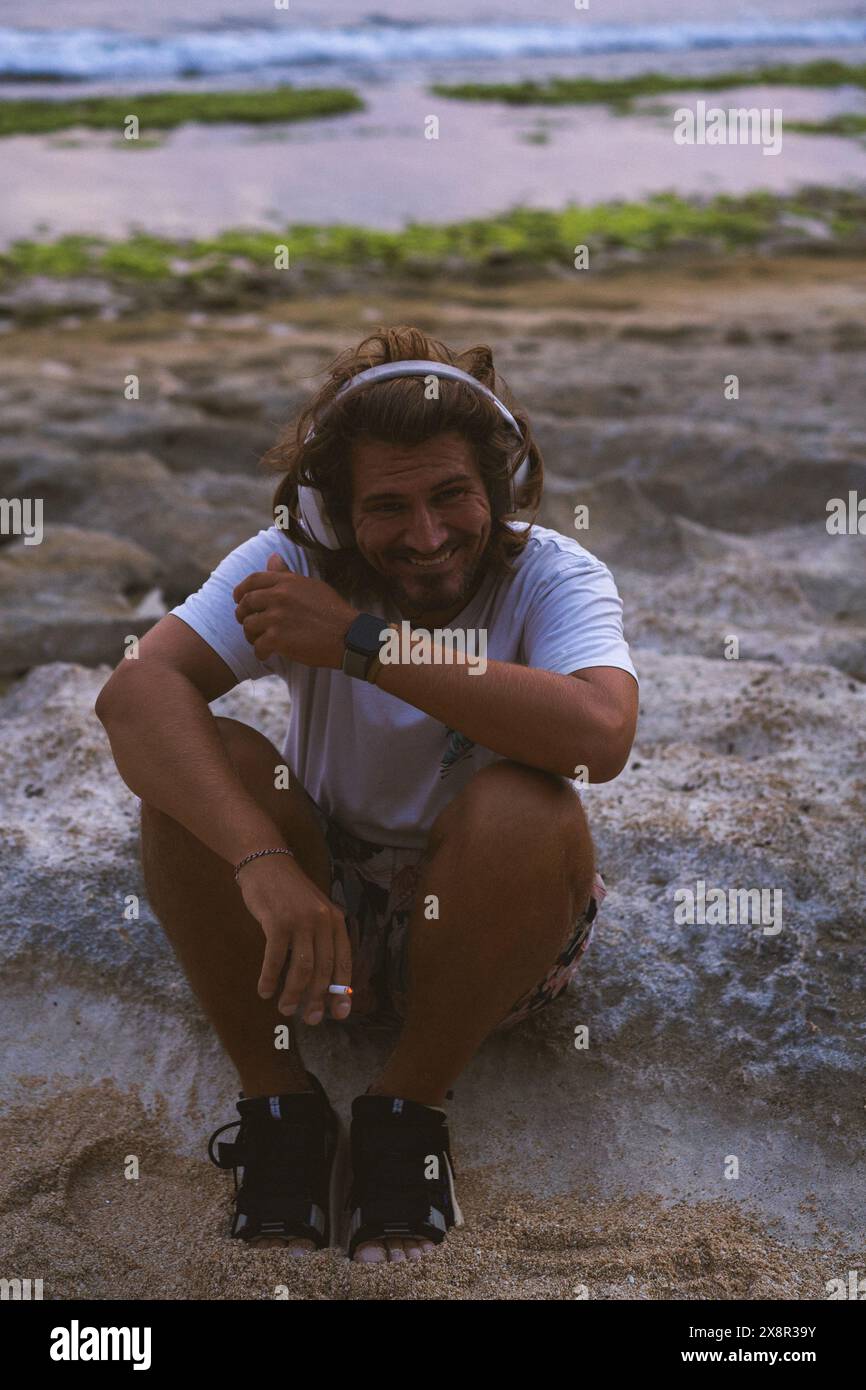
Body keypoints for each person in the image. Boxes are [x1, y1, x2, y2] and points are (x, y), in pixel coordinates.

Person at [95, 325, 639, 1265]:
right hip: (313, 926)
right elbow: (136, 694)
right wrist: (262, 864)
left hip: (485, 926)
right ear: (336, 511)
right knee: (205, 768)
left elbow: (600, 737)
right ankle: (282, 1108)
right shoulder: (293, 560)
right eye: (386, 507)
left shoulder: (553, 573)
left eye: (452, 495)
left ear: (498, 487)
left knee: (530, 803)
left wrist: (367, 643)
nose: (427, 538)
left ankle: (406, 1114)